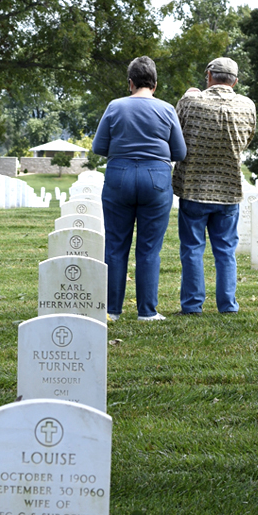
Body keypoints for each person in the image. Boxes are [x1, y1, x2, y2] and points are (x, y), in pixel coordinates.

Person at [92, 56, 187, 321]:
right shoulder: (167, 109)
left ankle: (112, 310)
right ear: (155, 85)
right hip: (156, 177)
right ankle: (147, 311)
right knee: (149, 248)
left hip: (119, 175)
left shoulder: (115, 106)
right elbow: (179, 152)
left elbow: (99, 147)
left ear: (130, 83)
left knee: (115, 245)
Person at [172, 56, 256, 314]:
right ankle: (228, 305)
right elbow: (247, 140)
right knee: (226, 251)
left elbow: (175, 131)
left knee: (192, 249)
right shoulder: (247, 105)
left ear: (208, 76)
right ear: (236, 81)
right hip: (229, 187)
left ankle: (192, 305)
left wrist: (186, 95)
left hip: (194, 187)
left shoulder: (190, 101)